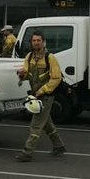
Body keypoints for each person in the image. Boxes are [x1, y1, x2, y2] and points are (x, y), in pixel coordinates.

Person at [14, 32, 67, 162]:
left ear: (43, 42)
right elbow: (26, 74)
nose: (36, 42)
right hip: (35, 95)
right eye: (34, 40)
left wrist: (42, 91)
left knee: (36, 125)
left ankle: (27, 152)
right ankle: (59, 146)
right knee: (47, 123)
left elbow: (56, 78)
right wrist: (21, 75)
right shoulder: (29, 56)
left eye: (38, 40)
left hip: (46, 96)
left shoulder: (50, 58)